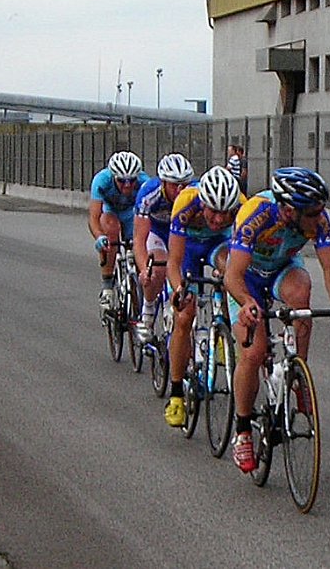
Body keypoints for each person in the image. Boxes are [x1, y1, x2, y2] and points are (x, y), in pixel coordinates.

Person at [225, 167, 330, 473]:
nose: (318, 219)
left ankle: (298, 373)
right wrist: (245, 303)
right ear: (287, 210)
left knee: (301, 292)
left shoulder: (316, 218)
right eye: (311, 214)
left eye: (319, 211)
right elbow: (232, 275)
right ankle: (243, 430)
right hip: (247, 279)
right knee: (254, 353)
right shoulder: (256, 213)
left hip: (282, 269)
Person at [164, 166, 246, 427]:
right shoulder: (186, 201)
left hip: (217, 245)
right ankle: (176, 393)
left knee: (228, 266)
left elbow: (241, 259)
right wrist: (179, 290)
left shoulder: (243, 206)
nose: (219, 219)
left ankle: (221, 321)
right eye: (213, 211)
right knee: (185, 315)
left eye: (226, 213)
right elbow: (173, 262)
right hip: (188, 248)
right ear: (202, 203)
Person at [132, 153, 195, 339]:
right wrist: (145, 269)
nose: (180, 189)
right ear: (163, 182)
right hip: (157, 232)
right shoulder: (148, 194)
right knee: (158, 269)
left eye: (184, 184)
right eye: (174, 184)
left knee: (186, 274)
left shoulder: (194, 193)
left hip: (181, 234)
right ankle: (148, 311)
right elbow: (139, 239)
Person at [88, 151, 149, 311]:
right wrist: (100, 237)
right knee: (111, 231)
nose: (127, 185)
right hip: (111, 211)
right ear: (114, 176)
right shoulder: (101, 180)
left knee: (137, 245)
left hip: (132, 212)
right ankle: (107, 286)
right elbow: (94, 218)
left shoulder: (144, 182)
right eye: (122, 181)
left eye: (131, 181)